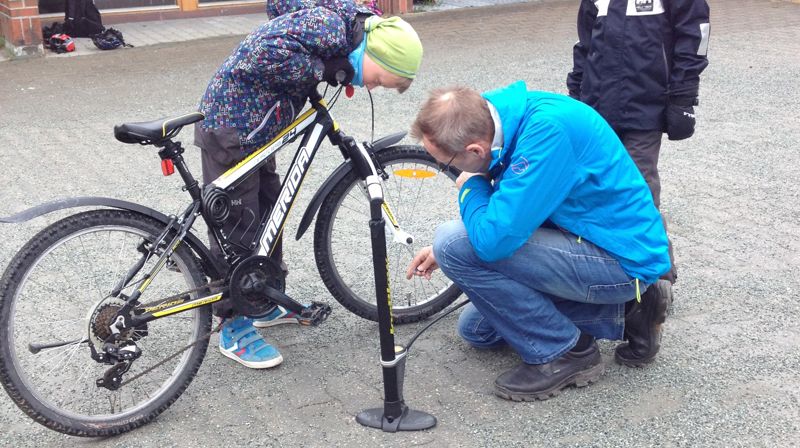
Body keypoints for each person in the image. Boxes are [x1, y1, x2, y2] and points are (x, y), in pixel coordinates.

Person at [405, 82, 671, 401]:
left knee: (452, 243)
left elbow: (494, 242)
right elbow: (511, 211)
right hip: (585, 239)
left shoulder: (545, 134)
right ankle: (629, 312)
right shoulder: (495, 119)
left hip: (621, 260)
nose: (446, 170)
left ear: (476, 150)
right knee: (477, 330)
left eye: (446, 164)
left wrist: (471, 185)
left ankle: (564, 352)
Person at [195, 0, 423, 369]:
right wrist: (321, 67)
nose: (373, 86)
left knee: (270, 209)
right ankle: (232, 323)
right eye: (380, 79)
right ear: (374, 52)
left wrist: (324, 67)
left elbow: (281, 6)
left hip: (258, 131)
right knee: (237, 227)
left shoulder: (340, 23)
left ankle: (262, 299)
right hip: (232, 129)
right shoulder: (332, 29)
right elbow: (263, 53)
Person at [566, 0, 710, 329]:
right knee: (595, 193)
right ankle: (612, 276)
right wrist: (576, 92)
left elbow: (695, 36)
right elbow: (585, 43)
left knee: (640, 194)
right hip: (597, 109)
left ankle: (658, 280)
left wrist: (683, 96)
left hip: (644, 109)